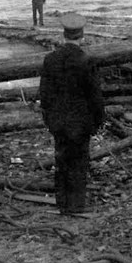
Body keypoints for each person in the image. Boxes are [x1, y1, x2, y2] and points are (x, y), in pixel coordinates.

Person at [40, 13, 106, 214]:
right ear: (82, 35)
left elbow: (45, 94)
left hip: (58, 122)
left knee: (61, 162)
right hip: (80, 123)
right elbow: (95, 95)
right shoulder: (86, 61)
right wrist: (98, 121)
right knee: (79, 162)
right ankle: (76, 205)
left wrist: (49, 119)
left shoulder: (50, 60)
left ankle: (62, 203)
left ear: (63, 34)